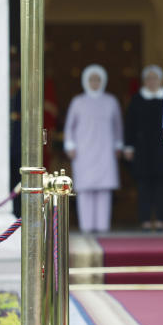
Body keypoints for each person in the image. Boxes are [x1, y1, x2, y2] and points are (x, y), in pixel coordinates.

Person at [64, 64, 123, 233]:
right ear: (85, 81)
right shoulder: (78, 102)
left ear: (103, 81)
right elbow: (69, 127)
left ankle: (103, 227)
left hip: (105, 150)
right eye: (92, 79)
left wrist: (118, 144)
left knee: (104, 190)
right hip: (83, 151)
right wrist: (70, 145)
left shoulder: (111, 101)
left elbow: (118, 126)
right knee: (85, 190)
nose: (95, 82)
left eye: (98, 79)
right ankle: (86, 227)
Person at [123, 65, 163, 231]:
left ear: (161, 80)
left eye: (155, 78)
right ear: (144, 81)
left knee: (162, 185)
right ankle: (145, 220)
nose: (152, 81)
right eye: (149, 78)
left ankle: (160, 220)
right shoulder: (137, 99)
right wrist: (128, 146)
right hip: (142, 149)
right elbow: (130, 124)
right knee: (143, 186)